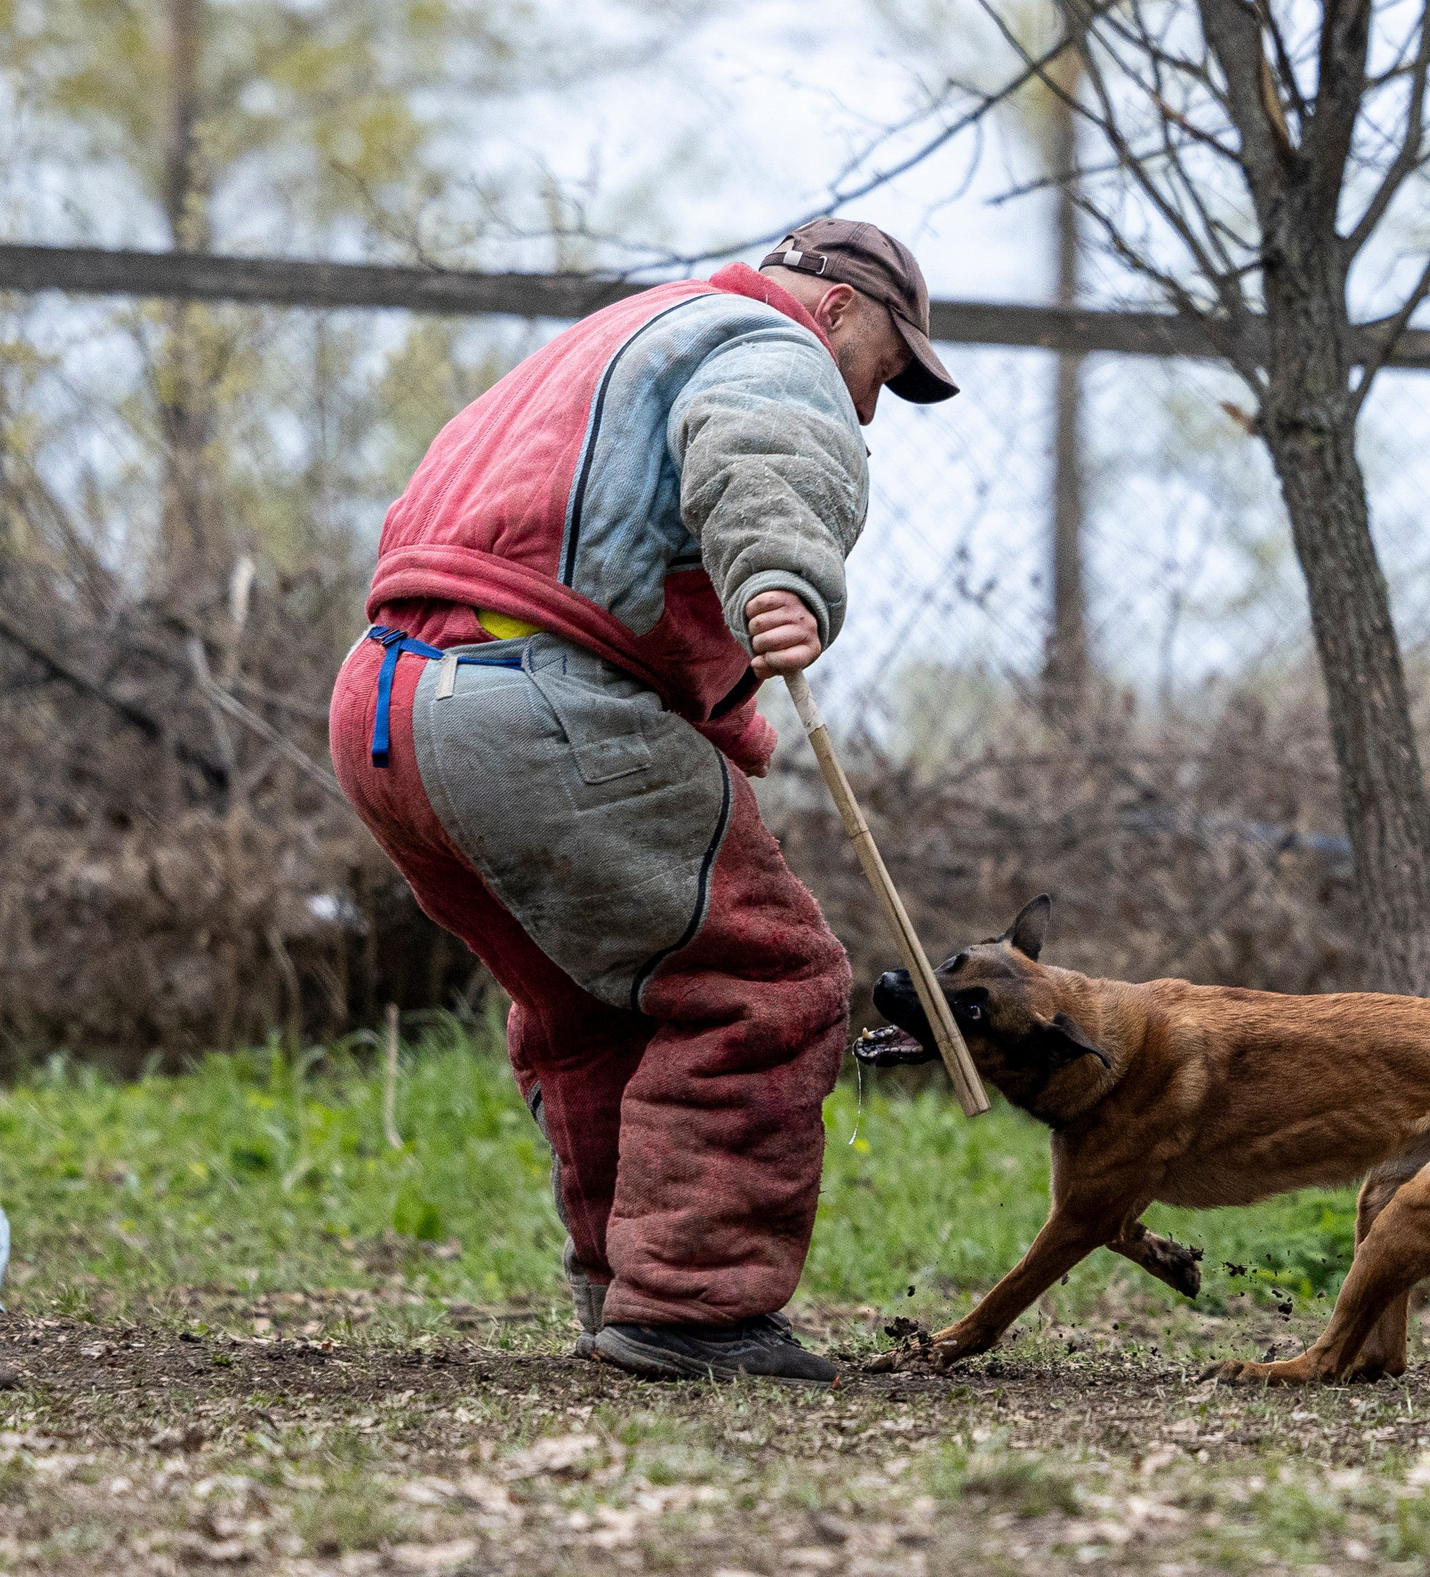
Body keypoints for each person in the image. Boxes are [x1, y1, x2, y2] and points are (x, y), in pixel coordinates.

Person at [329, 219, 959, 1382]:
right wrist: (784, 578)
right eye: (882, 368)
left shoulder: (614, 336)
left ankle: (625, 1290)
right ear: (833, 310)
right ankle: (694, 1307)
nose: (869, 407)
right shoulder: (773, 348)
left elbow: (572, 548)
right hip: (532, 708)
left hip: (388, 701)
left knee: (595, 1004)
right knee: (764, 979)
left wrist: (717, 713)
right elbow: (764, 455)